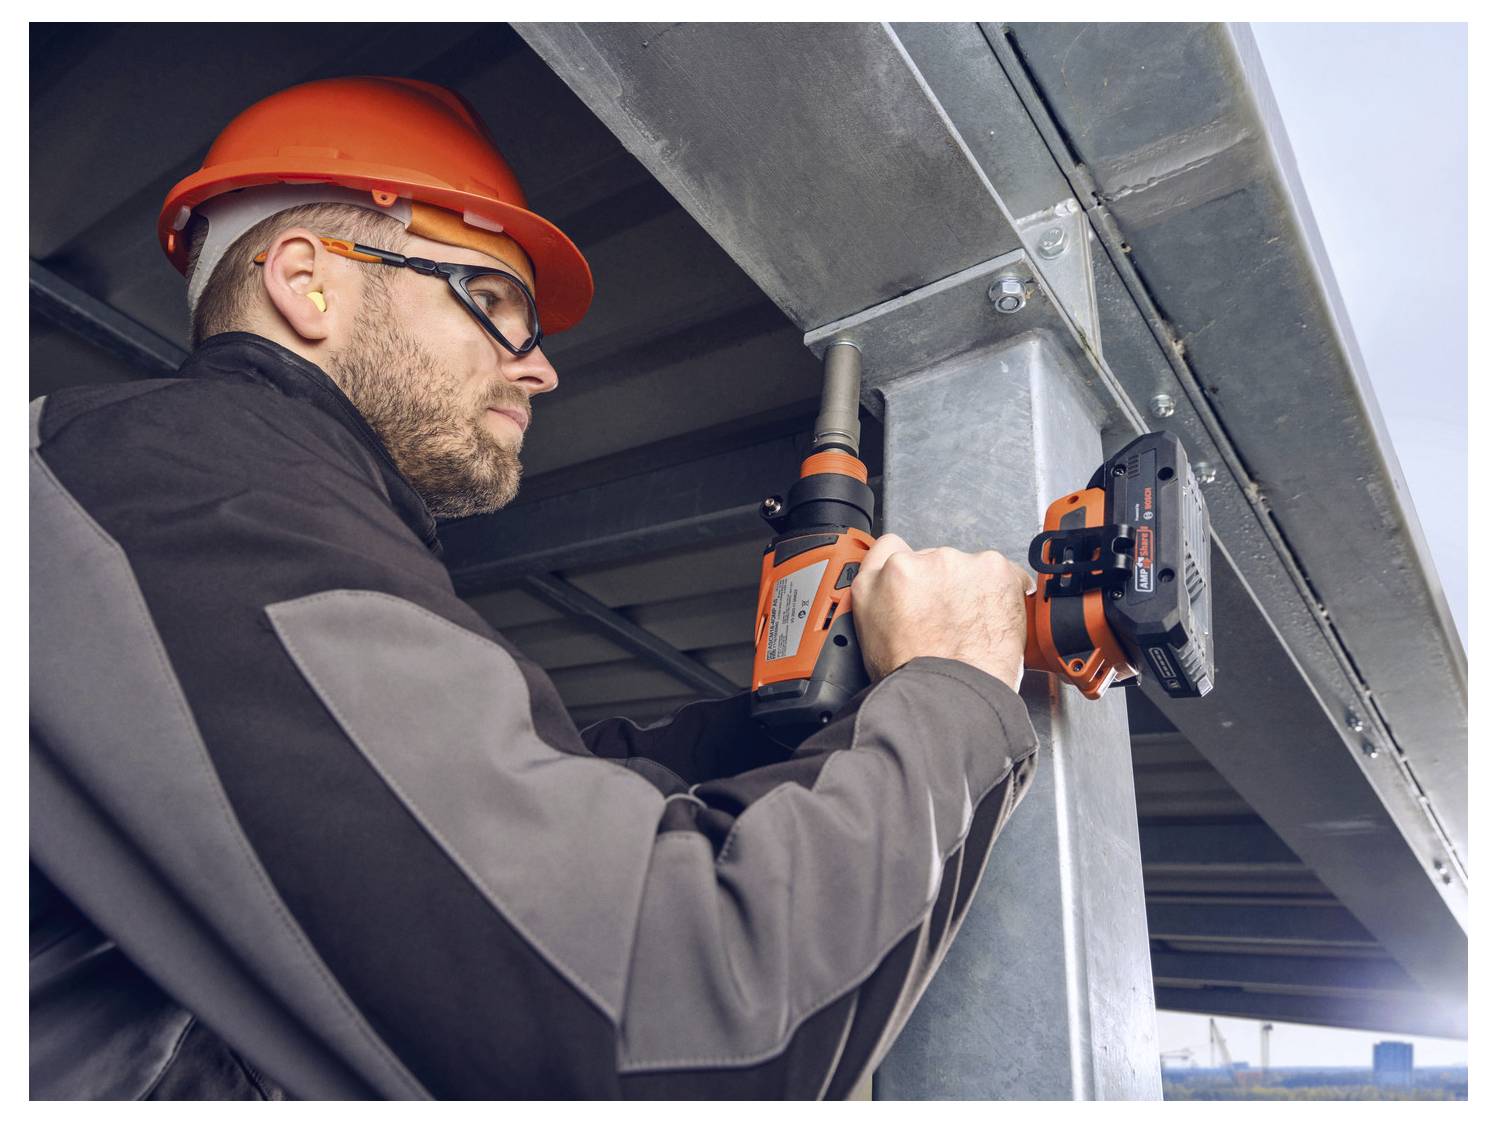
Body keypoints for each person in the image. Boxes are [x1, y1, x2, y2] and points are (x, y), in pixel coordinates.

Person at [30, 76, 1038, 1100]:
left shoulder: (194, 511)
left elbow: (522, 796)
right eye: (494, 304)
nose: (540, 368)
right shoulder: (195, 491)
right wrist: (953, 693)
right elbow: (673, 1021)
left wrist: (787, 723)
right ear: (307, 281)